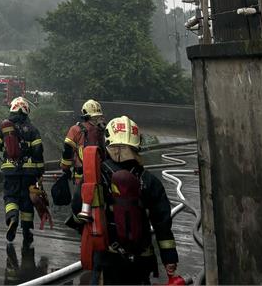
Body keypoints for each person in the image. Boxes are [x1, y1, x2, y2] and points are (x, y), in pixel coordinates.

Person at [90, 115, 179, 285]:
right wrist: (169, 259)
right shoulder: (150, 181)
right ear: (137, 144)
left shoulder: (96, 178)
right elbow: (163, 226)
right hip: (140, 261)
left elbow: (78, 208)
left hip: (107, 259)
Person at [0, 96, 45, 249]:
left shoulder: (3, 126)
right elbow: (38, 151)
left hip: (10, 170)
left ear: (11, 108)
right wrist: (39, 171)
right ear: (26, 111)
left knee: (10, 196)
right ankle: (27, 232)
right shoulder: (32, 129)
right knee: (26, 201)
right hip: (29, 173)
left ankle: (12, 218)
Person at [59, 99, 106, 220]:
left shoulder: (76, 129)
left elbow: (67, 150)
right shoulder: (101, 131)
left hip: (81, 176)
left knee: (79, 203)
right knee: (98, 202)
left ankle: (81, 226)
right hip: (100, 175)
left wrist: (65, 168)